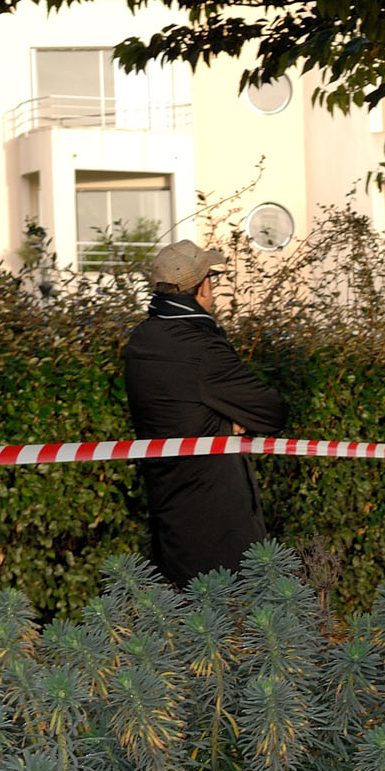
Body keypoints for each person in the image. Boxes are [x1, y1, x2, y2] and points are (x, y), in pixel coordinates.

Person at [122, 240, 289, 587]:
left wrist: (220, 421)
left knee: (184, 623)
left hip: (168, 510)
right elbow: (272, 411)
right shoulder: (201, 347)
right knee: (238, 627)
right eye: (211, 278)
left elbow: (174, 411)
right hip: (220, 516)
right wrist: (230, 423)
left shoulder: (140, 341)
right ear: (201, 287)